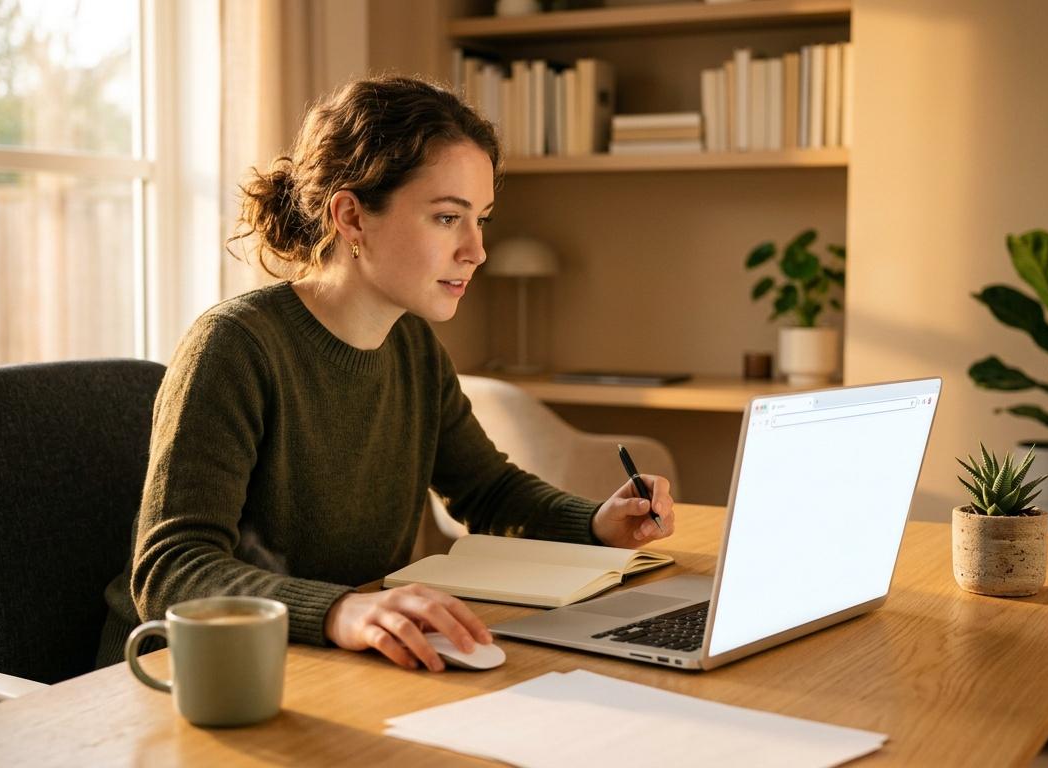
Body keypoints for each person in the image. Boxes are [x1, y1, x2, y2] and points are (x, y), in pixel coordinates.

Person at [97, 74, 674, 673]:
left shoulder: (413, 348)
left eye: (482, 219)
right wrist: (339, 611)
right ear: (351, 217)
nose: (476, 250)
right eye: (448, 218)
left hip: (328, 662)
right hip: (182, 678)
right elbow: (172, 568)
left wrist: (595, 521)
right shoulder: (236, 347)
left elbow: (488, 491)